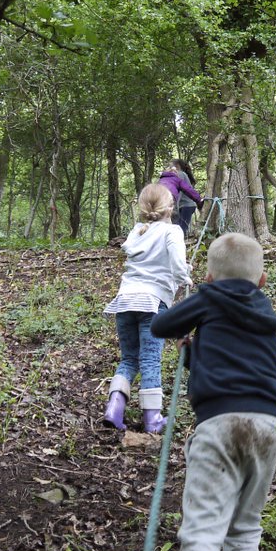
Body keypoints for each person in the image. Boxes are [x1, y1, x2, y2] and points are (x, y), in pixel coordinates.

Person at [139, 232, 276, 551]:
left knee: (202, 529)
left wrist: (193, 316)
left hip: (219, 425)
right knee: (245, 523)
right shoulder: (266, 314)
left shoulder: (207, 297)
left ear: (207, 276)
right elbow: (238, 363)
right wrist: (197, 353)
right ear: (262, 280)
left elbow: (161, 327)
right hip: (267, 427)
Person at [102, 183, 192, 434]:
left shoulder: (137, 232)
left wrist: (182, 271)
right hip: (152, 303)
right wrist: (185, 277)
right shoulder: (173, 231)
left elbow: (149, 260)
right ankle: (152, 418)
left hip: (125, 301)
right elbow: (176, 264)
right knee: (150, 358)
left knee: (129, 358)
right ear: (171, 208)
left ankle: (114, 409)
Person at [157, 159, 204, 235]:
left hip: (186, 205)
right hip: (179, 205)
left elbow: (184, 192)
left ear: (177, 166)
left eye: (170, 165)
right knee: (178, 227)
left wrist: (199, 200)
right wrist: (199, 200)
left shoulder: (179, 174)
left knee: (181, 228)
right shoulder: (169, 176)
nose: (169, 167)